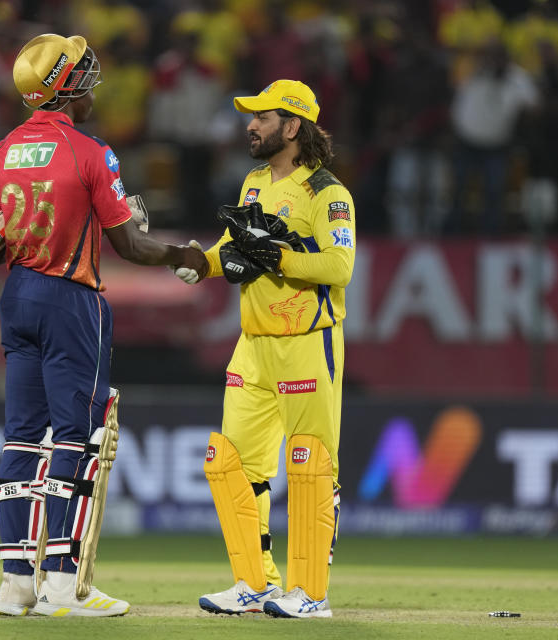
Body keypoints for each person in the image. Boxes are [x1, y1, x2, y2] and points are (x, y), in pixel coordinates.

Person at [0, 33, 207, 617]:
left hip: (18, 295)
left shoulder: (1, 151)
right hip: (70, 298)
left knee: (21, 438)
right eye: (83, 73)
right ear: (68, 87)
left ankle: (15, 585)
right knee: (77, 440)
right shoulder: (91, 151)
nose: (93, 81)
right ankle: (61, 585)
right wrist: (182, 253)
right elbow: (130, 246)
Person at [174, 79, 355, 618]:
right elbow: (232, 248)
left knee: (309, 465)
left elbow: (339, 267)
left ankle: (311, 594)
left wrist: (279, 258)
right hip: (252, 345)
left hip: (307, 343)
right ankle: (254, 583)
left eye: (262, 118)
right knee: (230, 464)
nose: (250, 126)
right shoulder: (253, 182)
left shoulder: (327, 193)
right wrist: (196, 262)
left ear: (292, 127)